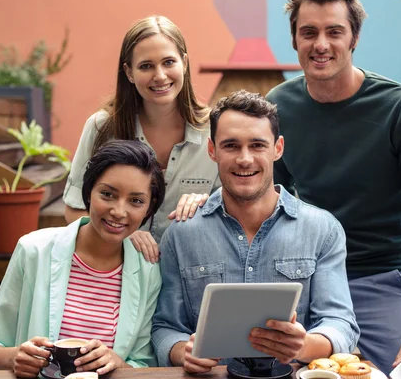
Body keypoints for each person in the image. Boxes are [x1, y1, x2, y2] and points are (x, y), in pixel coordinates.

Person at [266, 0, 401, 377]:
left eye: (334, 31)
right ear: (295, 40)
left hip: (381, 277)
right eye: (308, 32)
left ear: (354, 39)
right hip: (309, 281)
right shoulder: (279, 106)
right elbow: (266, 198)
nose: (321, 44)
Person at [151, 90, 359, 373]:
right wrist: (181, 352)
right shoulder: (182, 233)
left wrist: (305, 345)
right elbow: (165, 328)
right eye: (231, 146)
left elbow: (341, 324)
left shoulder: (322, 230)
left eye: (258, 145)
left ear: (278, 148)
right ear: (212, 150)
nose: (245, 159)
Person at [0, 140, 166, 378]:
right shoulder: (33, 250)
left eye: (136, 201)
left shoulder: (148, 270)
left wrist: (116, 362)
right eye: (107, 194)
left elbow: (143, 364)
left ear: (149, 209)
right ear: (88, 193)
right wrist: (14, 357)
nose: (119, 211)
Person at [64, 15, 220, 262]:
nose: (160, 76)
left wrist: (209, 204)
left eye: (169, 62)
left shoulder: (216, 130)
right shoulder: (101, 128)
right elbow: (74, 209)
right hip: (120, 273)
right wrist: (124, 235)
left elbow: (233, 212)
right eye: (146, 66)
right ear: (129, 72)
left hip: (189, 275)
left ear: (185, 63)